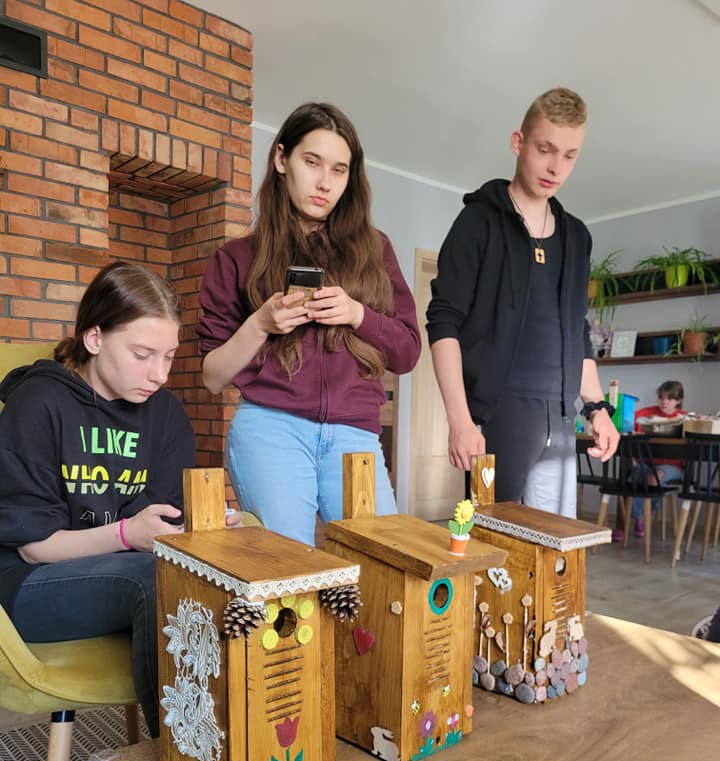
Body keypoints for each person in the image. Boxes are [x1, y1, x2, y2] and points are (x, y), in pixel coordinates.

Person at [197, 102, 420, 546]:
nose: (325, 183)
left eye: (339, 170)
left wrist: (358, 314)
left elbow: (408, 353)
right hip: (270, 429)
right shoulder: (236, 258)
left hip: (355, 433)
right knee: (288, 571)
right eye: (312, 162)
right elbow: (212, 377)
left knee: (382, 564)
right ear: (282, 159)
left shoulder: (376, 251)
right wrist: (261, 322)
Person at [0, 262, 196, 737]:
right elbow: (35, 548)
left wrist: (198, 528)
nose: (159, 374)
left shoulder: (166, 414)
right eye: (142, 354)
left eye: (169, 357)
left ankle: (240, 750)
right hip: (26, 584)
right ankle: (181, 758)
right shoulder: (38, 404)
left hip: (121, 570)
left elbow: (161, 523)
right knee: (155, 580)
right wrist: (129, 534)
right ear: (94, 338)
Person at [426, 87, 619, 518]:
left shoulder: (577, 237)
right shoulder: (477, 221)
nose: (555, 167)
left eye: (569, 155)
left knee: (555, 548)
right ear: (519, 143)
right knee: (491, 541)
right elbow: (443, 321)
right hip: (496, 418)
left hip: (560, 419)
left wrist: (597, 409)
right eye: (544, 149)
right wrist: (460, 420)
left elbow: (578, 331)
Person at [628, 380, 686, 538]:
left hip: (673, 466)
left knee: (654, 477)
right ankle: (638, 518)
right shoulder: (648, 413)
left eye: (670, 398)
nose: (664, 402)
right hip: (648, 463)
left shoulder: (684, 418)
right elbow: (628, 420)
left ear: (678, 400)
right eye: (661, 397)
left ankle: (644, 515)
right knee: (635, 473)